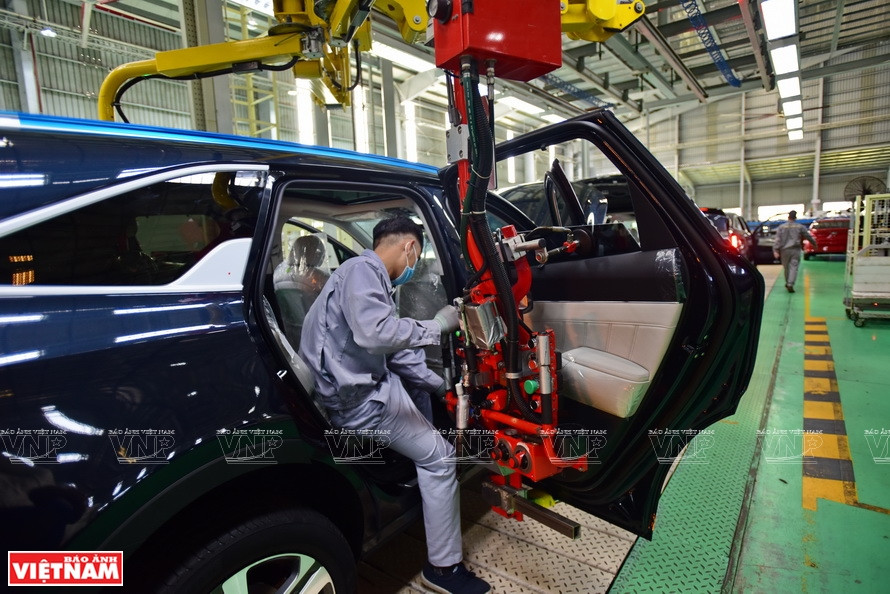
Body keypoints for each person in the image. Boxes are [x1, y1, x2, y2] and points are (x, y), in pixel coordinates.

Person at [299, 215, 490, 594]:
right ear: (410, 247)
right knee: (440, 459)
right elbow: (377, 336)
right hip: (357, 403)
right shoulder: (362, 271)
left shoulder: (363, 276)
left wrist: (440, 387)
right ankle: (444, 570)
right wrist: (438, 325)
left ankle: (421, 475)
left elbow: (393, 351)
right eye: (416, 258)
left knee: (417, 392)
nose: (414, 267)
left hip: (360, 385)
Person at [773, 210, 818, 293]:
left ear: (788, 217)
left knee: (786, 268)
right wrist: (814, 243)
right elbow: (808, 236)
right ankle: (790, 284)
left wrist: (775, 250)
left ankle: (787, 282)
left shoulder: (781, 227)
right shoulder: (800, 227)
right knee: (794, 266)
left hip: (784, 250)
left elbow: (777, 240)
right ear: (795, 217)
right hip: (795, 250)